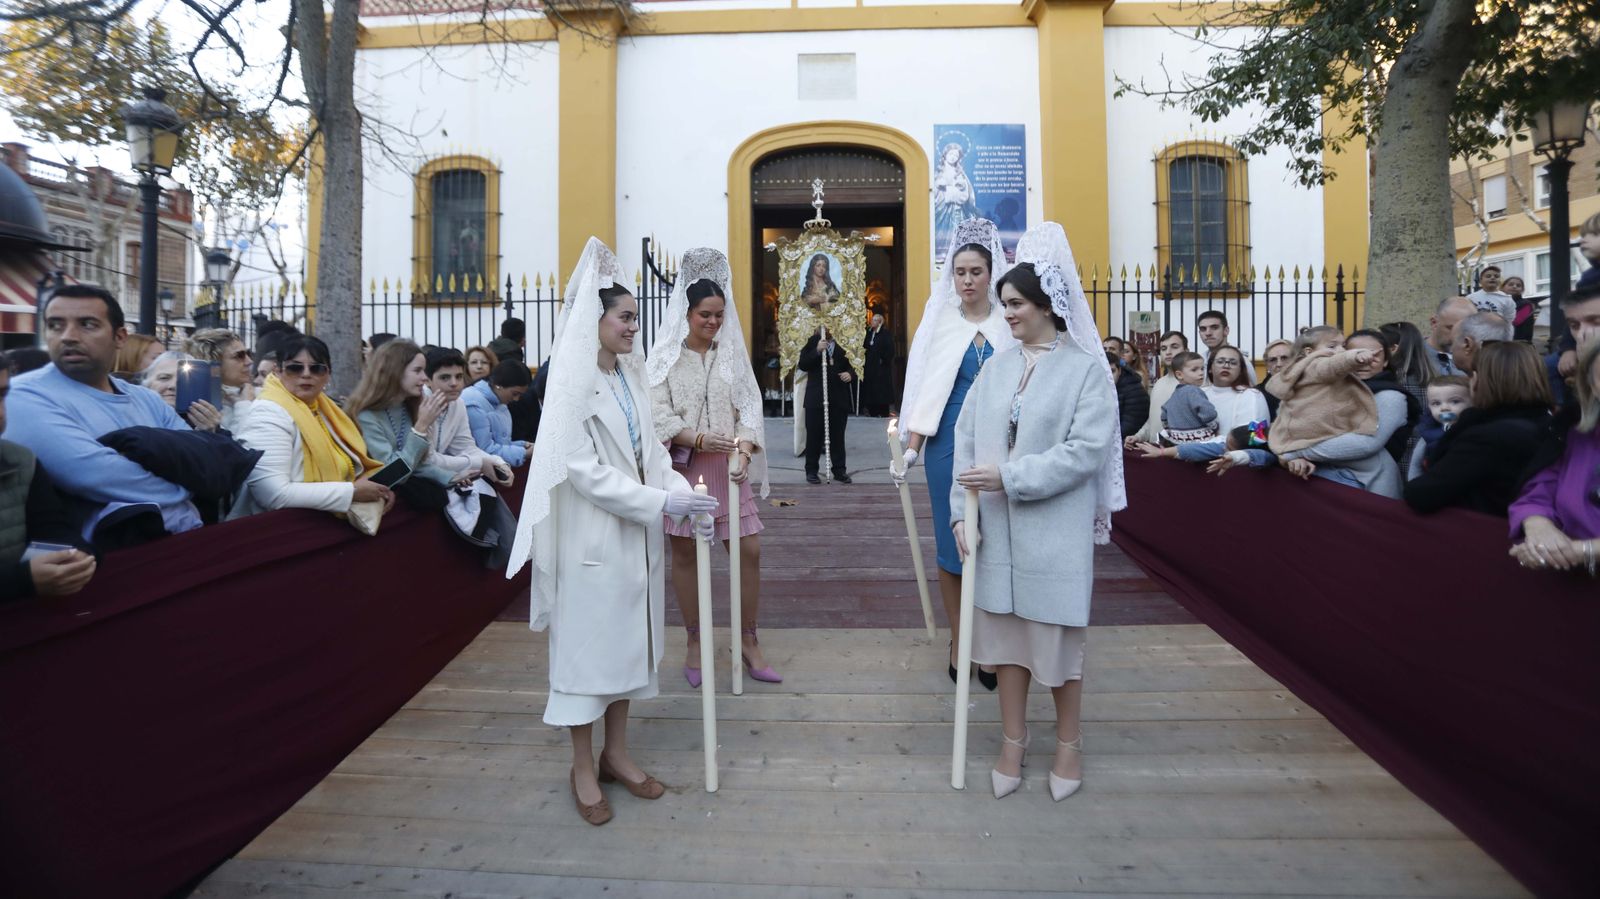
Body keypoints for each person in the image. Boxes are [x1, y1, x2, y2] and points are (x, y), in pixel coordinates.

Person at [505, 238, 718, 826]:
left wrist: (682, 493)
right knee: (585, 658)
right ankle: (581, 765)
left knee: (628, 650)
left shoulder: (628, 375)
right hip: (591, 541)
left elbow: (651, 451)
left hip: (635, 538)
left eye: (634, 317)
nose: (633, 327)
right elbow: (584, 472)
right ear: (593, 321)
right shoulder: (570, 385)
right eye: (624, 317)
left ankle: (615, 753)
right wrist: (661, 502)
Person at [949, 221, 1123, 803]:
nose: (1007, 314)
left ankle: (1069, 744)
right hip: (996, 537)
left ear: (1048, 305)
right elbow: (966, 442)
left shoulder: (1085, 371)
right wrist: (960, 515)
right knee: (1004, 648)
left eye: (1016, 304)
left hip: (1053, 536)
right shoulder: (996, 367)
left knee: (1057, 648)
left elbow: (1086, 452)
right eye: (1004, 304)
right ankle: (1013, 741)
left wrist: (1011, 477)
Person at [647, 249, 777, 687]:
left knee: (748, 550)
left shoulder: (731, 356)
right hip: (683, 468)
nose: (713, 322)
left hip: (729, 467)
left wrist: (744, 451)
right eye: (705, 314)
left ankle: (748, 638)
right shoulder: (664, 359)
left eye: (719, 315)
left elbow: (750, 408)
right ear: (686, 314)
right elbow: (656, 414)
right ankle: (695, 639)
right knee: (686, 553)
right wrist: (696, 438)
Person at [894, 218, 1015, 688]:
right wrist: (912, 447)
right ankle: (959, 639)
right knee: (952, 545)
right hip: (946, 444)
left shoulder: (1010, 321)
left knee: (994, 541)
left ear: (991, 273)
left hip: (1001, 445)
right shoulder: (941, 323)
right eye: (960, 272)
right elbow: (928, 387)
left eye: (976, 272)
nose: (967, 280)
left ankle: (991, 643)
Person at [6, 285, 203, 549]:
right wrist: (185, 487)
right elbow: (94, 476)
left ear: (120, 337)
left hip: (184, 540)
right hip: (102, 558)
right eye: (55, 325)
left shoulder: (146, 398)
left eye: (87, 324)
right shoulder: (22, 395)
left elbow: (200, 456)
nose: (68, 336)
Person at [229, 334, 394, 520]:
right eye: (295, 368)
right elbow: (273, 495)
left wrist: (369, 487)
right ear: (277, 371)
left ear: (328, 374)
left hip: (323, 522)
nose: (306, 374)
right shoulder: (267, 413)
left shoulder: (325, 409)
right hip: (282, 527)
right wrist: (351, 492)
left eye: (317, 368)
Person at [1405, 341, 1552, 516]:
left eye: (1471, 374)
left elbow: (1422, 493)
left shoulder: (1488, 437)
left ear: (1481, 380)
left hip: (1481, 524)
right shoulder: (1546, 422)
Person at [0, 354, 98, 602]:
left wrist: (76, 555)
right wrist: (22, 581)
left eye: (1, 395)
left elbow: (51, 528)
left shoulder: (22, 461)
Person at [1273, 330, 1405, 497]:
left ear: (1385, 361)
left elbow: (1367, 444)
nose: (1364, 360)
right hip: (1323, 482)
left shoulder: (1391, 396)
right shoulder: (1325, 387)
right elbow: (1288, 423)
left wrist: (1294, 451)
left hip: (1371, 487)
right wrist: (1292, 457)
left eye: (1374, 355)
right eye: (1354, 353)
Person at [1508, 339, 1600, 574]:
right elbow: (1538, 492)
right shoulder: (1575, 434)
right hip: (1570, 583)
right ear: (1591, 385)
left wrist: (1585, 551)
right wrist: (1538, 526)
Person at [346, 339, 471, 510]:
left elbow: (416, 464)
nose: (424, 377)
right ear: (395, 372)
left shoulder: (408, 406)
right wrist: (420, 428)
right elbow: (392, 474)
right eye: (417, 370)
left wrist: (451, 477)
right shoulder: (366, 416)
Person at [423, 347, 514, 487]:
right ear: (427, 380)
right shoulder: (419, 403)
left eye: (459, 376)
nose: (454, 383)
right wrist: (479, 463)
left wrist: (498, 463)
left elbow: (465, 446)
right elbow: (427, 460)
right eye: (445, 377)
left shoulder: (458, 403)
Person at [799, 327, 856, 484]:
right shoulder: (811, 341)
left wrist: (850, 373)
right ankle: (811, 470)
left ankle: (839, 470)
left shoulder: (845, 340)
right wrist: (817, 351)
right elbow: (803, 364)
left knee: (837, 436)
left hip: (838, 396)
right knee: (814, 436)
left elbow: (857, 362)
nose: (827, 328)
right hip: (816, 397)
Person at [463, 359, 533, 467]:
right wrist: (524, 453)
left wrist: (523, 446)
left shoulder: (499, 402)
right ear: (498, 385)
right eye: (515, 394)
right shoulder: (474, 402)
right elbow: (484, 449)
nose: (516, 399)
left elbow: (500, 443)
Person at [1124, 330, 1189, 446]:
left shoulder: (1191, 384)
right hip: (1154, 451)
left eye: (1174, 347)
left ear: (1186, 351)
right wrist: (1137, 436)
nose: (1168, 352)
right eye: (1164, 348)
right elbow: (1152, 421)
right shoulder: (1158, 384)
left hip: (1178, 452)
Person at [185, 328, 255, 431]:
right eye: (239, 356)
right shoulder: (202, 405)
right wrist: (244, 405)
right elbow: (235, 440)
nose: (249, 361)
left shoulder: (257, 393)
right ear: (214, 362)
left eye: (248, 354)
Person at [137, 351, 223, 432]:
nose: (173, 386)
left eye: (183, 379)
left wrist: (209, 434)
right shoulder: (134, 414)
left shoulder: (210, 422)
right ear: (147, 384)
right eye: (164, 378)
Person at [1407, 375, 1472, 480]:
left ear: (1472, 402)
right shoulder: (1428, 434)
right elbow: (1415, 466)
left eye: (1455, 401)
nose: (1444, 408)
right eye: (1436, 403)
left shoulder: (1475, 432)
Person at [1158, 351, 1217, 444]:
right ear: (1179, 375)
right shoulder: (1194, 391)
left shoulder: (1174, 395)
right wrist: (1214, 426)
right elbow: (1208, 413)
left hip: (1178, 442)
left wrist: (1170, 430)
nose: (1201, 373)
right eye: (1194, 370)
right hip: (1200, 441)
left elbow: (1164, 416)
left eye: (1202, 369)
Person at [1426, 296, 1475, 375]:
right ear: (1434, 322)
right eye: (1450, 328)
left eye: (1464, 330)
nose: (1455, 336)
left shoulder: (1476, 360)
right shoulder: (1412, 356)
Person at [861, 312, 895, 416]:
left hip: (881, 367)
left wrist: (883, 359)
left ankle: (883, 412)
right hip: (870, 366)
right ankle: (872, 411)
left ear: (880, 322)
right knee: (871, 388)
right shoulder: (869, 333)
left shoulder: (885, 334)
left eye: (875, 320)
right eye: (872, 320)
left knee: (881, 389)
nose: (872, 322)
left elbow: (890, 349)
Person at [1109, 350, 1149, 438]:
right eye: (1105, 371)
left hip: (1125, 441)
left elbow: (1130, 426)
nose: (1109, 376)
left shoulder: (1134, 390)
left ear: (1119, 371)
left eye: (1112, 371)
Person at [1258, 338, 1293, 419]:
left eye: (1284, 358)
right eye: (1273, 360)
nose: (1279, 364)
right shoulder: (1257, 394)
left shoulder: (1306, 390)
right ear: (1267, 365)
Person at [1504, 276, 1539, 343]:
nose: (1514, 286)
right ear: (1503, 288)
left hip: (1519, 343)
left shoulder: (1526, 304)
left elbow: (1515, 321)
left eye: (1518, 285)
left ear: (1522, 290)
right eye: (1511, 284)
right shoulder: (1498, 302)